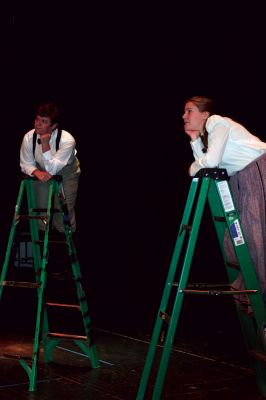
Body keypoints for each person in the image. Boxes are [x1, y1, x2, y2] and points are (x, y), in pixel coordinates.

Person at [182, 95, 266, 310]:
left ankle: (260, 296)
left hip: (257, 171)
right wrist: (194, 140)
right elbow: (208, 163)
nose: (184, 116)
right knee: (243, 237)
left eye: (189, 110)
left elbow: (209, 162)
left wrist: (192, 167)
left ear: (205, 114)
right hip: (242, 179)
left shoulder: (217, 122)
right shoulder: (208, 135)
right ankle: (256, 293)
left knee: (254, 234)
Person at [20, 102, 81, 233]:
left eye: (43, 121)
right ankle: (43, 245)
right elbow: (25, 163)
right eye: (37, 119)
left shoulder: (67, 140)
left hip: (66, 173)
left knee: (63, 212)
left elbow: (53, 169)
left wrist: (45, 144)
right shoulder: (29, 137)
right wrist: (36, 171)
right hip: (42, 171)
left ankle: (65, 244)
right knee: (41, 211)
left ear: (53, 126)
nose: (38, 124)